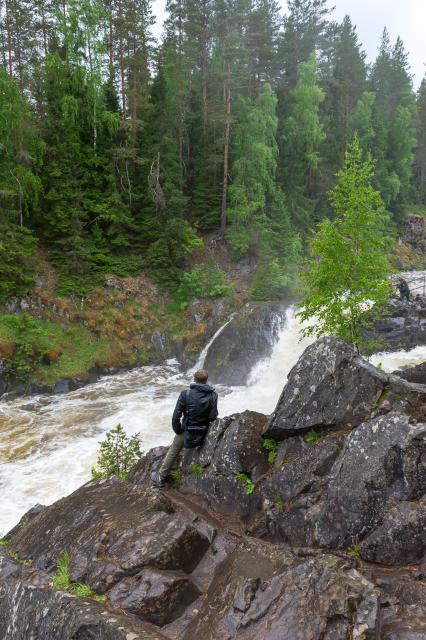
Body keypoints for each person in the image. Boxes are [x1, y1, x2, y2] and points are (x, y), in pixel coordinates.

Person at [151, 369, 218, 488]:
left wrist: (178, 430)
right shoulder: (213, 395)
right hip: (203, 430)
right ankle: (187, 478)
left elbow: (176, 416)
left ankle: (161, 477)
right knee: (189, 456)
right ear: (206, 380)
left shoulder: (185, 394)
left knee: (174, 451)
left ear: (194, 379)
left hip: (187, 429)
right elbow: (213, 416)